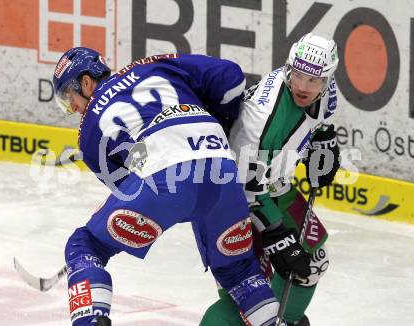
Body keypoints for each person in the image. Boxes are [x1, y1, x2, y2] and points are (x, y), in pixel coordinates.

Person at [52, 48, 289, 326]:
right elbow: (231, 77)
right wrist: (220, 123)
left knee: (85, 246)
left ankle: (90, 320)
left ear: (87, 81)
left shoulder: (88, 132)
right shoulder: (155, 64)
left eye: (70, 97)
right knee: (238, 271)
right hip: (223, 169)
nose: (74, 108)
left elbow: (126, 187)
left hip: (165, 179)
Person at [200, 33, 340, 326]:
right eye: (298, 75)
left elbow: (317, 123)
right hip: (228, 196)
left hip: (272, 185)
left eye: (313, 80)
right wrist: (277, 235)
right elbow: (245, 187)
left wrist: (322, 140)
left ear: (327, 78)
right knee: (244, 291)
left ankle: (285, 320)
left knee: (312, 259)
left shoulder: (327, 91)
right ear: (289, 68)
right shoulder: (261, 119)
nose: (303, 86)